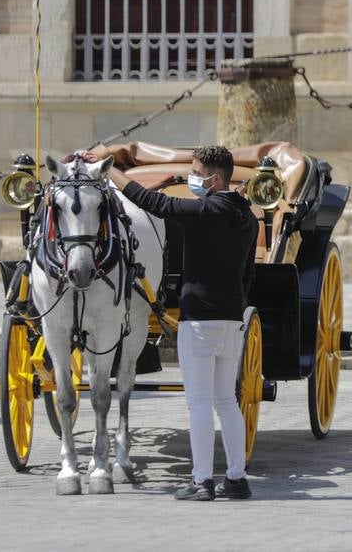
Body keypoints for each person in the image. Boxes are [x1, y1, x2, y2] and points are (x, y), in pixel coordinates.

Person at [93, 145, 258, 501]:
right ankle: (236, 478)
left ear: (215, 178)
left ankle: (202, 481)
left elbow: (150, 202)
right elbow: (249, 274)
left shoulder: (205, 211)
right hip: (232, 319)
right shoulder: (248, 217)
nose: (192, 178)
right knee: (227, 401)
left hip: (199, 320)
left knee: (199, 403)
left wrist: (109, 170)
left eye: (196, 172)